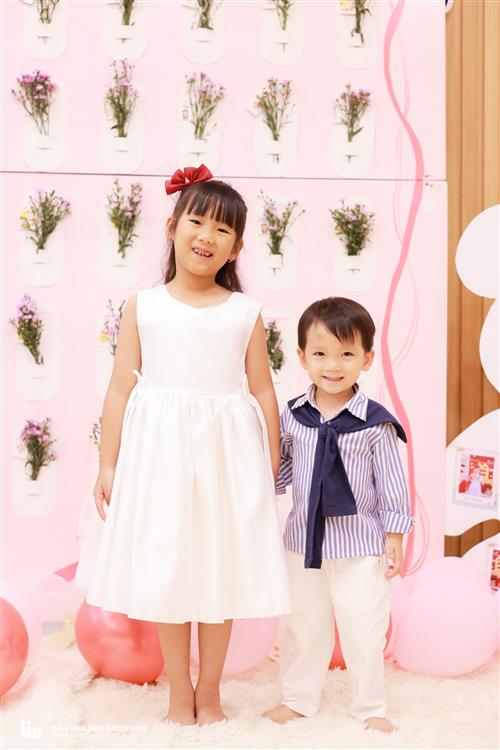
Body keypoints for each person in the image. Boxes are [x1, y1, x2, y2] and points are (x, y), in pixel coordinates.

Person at [75, 165, 290, 726]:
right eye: (196, 222)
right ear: (172, 228)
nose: (206, 236)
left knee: (218, 570)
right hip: (159, 457)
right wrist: (107, 463)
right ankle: (178, 693)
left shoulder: (245, 312)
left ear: (236, 248)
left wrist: (269, 458)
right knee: (169, 568)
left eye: (223, 230)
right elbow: (120, 388)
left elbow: (263, 391)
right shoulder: (142, 306)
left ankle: (210, 692)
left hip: (226, 457)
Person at [264, 297, 414, 733]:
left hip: (360, 546)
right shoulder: (293, 416)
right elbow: (282, 468)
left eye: (347, 353)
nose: (333, 365)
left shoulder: (375, 423)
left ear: (366, 359)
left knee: (364, 628)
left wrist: (394, 536)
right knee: (303, 626)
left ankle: (370, 707)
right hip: (303, 543)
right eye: (321, 353)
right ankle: (297, 699)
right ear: (302, 357)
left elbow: (391, 482)